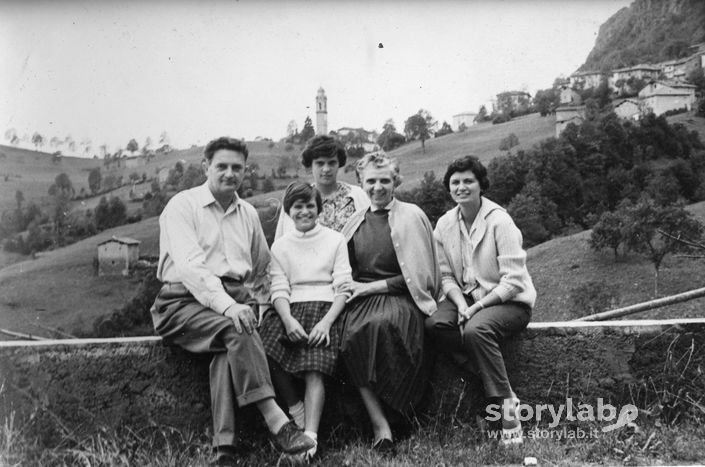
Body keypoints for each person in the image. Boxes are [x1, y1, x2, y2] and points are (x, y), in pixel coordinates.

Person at [150, 137, 315, 465]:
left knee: (231, 344)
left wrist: (282, 310)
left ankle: (224, 450)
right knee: (236, 325)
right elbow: (191, 269)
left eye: (236, 167)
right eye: (221, 166)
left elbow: (265, 269)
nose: (229, 173)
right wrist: (228, 306)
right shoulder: (183, 207)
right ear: (205, 167)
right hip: (181, 303)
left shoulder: (248, 214)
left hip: (231, 305)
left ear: (245, 170)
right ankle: (276, 420)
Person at [424, 156, 536, 446]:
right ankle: (495, 381)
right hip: (467, 299)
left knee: (476, 331)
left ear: (480, 185)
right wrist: (461, 304)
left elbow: (513, 281)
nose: (462, 187)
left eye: (468, 181)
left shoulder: (500, 221)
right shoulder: (445, 224)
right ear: (449, 188)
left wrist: (476, 309)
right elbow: (446, 275)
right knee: (436, 324)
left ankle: (508, 409)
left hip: (509, 302)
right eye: (455, 182)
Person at [338, 151, 441, 454]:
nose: (378, 187)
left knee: (381, 327)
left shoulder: (412, 216)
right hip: (359, 300)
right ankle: (378, 423)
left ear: (395, 181)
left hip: (401, 299)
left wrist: (368, 289)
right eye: (371, 181)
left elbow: (416, 279)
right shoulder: (355, 221)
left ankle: (398, 416)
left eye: (385, 180)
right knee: (347, 335)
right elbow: (345, 269)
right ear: (361, 182)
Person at [259, 181, 352, 461]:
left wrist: (325, 323)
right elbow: (278, 288)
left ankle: (310, 439)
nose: (304, 211)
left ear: (318, 208)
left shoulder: (335, 239)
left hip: (326, 308)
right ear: (289, 211)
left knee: (314, 366)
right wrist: (287, 320)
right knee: (264, 348)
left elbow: (343, 287)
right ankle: (296, 410)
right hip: (290, 308)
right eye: (298, 206)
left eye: (310, 205)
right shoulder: (281, 246)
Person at [274, 134, 369, 238]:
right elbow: (282, 241)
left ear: (339, 164)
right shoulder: (296, 199)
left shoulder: (358, 195)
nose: (326, 169)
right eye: (320, 163)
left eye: (332, 163)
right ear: (311, 165)